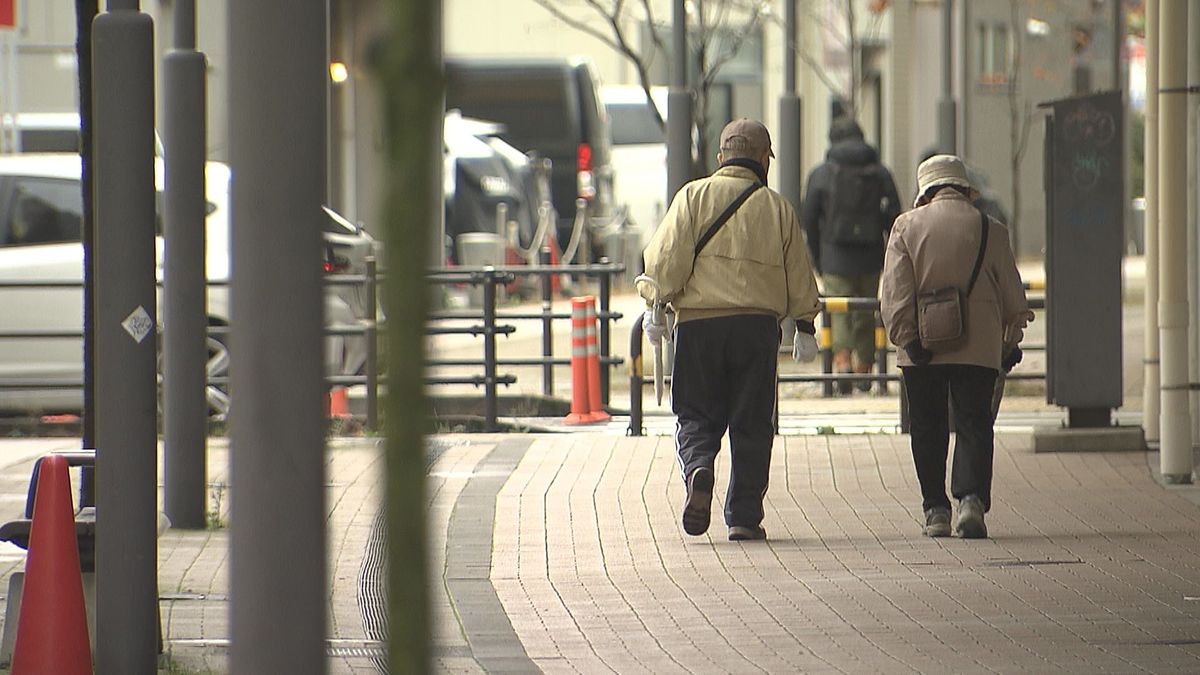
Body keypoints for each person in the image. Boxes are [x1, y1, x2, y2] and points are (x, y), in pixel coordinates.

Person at [638, 118, 821, 542]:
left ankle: (700, 466)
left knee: (696, 412)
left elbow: (663, 261)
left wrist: (656, 302)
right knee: (752, 423)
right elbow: (799, 273)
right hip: (757, 329)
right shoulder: (777, 208)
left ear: (722, 158)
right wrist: (806, 323)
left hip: (699, 326)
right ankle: (743, 515)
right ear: (763, 160)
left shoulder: (692, 197)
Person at [880, 154, 1032, 539]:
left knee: (927, 427)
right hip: (978, 346)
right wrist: (1010, 341)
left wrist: (907, 337)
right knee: (974, 423)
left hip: (921, 348)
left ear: (926, 190)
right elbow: (1014, 296)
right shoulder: (990, 228)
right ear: (965, 188)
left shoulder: (905, 227)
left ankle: (935, 511)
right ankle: (971, 502)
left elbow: (895, 293)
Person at [801, 117, 902, 394]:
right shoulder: (880, 172)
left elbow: (808, 215)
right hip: (870, 254)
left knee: (837, 309)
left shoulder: (822, 173)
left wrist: (818, 253)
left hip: (834, 254)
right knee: (867, 311)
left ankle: (842, 362)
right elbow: (895, 213)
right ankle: (865, 368)